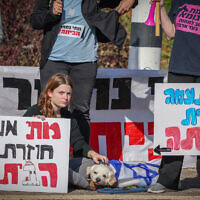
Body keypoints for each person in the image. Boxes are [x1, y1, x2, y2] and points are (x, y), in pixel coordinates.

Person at [30, 0, 137, 146]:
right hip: (53, 61)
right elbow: (35, 20)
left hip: (85, 63)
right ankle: (49, 158)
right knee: (48, 109)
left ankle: (82, 159)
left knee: (81, 112)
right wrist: (51, 13)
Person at [148, 0, 200, 193]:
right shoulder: (179, 1)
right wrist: (160, 7)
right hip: (180, 68)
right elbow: (170, 33)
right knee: (175, 127)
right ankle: (168, 179)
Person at [23, 73, 108, 189]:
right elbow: (19, 138)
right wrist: (29, 123)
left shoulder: (68, 116)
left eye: (68, 94)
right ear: (49, 93)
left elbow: (78, 142)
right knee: (64, 171)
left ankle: (75, 180)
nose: (66, 97)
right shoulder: (35, 110)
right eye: (61, 93)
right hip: (37, 164)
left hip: (62, 163)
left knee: (91, 164)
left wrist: (93, 154)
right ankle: (89, 186)